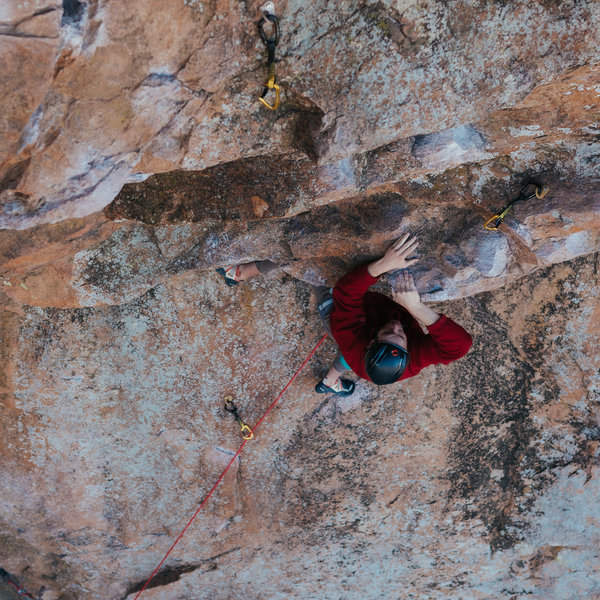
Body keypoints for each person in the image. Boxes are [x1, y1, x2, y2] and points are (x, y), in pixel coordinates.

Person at [216, 234, 472, 396]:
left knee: (303, 259)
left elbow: (346, 292)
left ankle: (239, 273)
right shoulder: (410, 358)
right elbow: (461, 347)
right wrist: (416, 308)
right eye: (400, 336)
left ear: (371, 341)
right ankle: (329, 382)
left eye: (388, 333)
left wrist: (384, 265)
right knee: (347, 360)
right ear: (405, 353)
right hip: (362, 347)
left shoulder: (350, 335)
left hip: (336, 311)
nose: (396, 327)